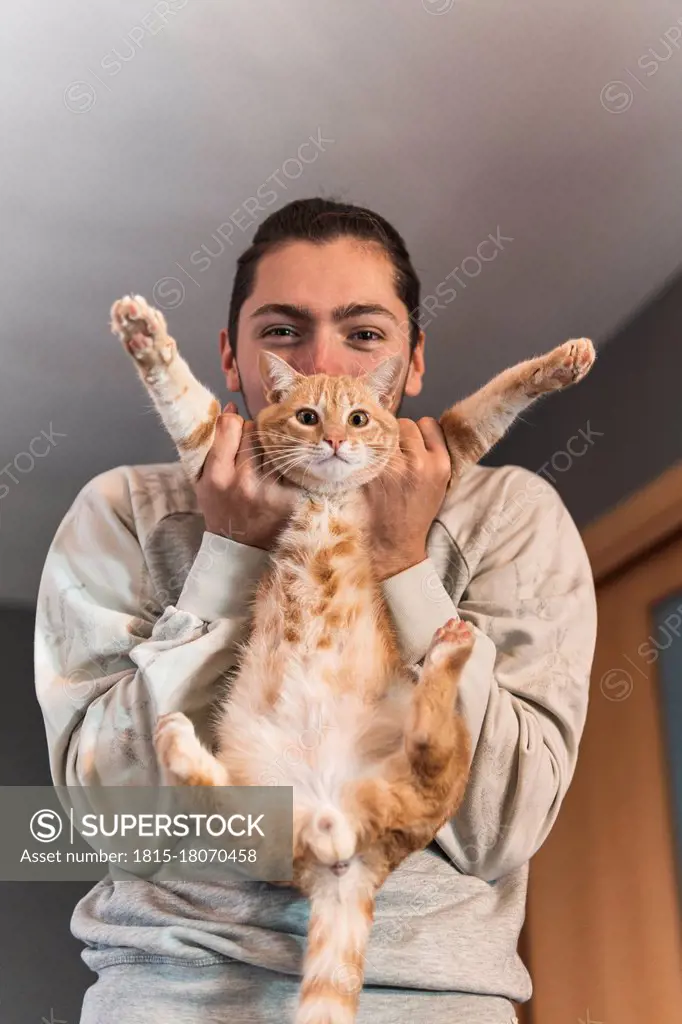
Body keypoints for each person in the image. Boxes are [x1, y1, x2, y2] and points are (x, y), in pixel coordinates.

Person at [34, 198, 598, 1024]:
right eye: (283, 331)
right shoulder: (121, 508)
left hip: (437, 1002)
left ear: (409, 363)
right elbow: (107, 828)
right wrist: (233, 554)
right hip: (167, 995)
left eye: (364, 334)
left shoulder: (508, 512)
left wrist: (404, 564)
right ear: (233, 357)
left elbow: (499, 831)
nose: (327, 362)